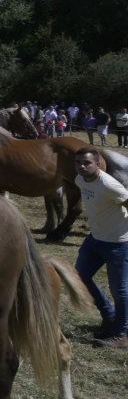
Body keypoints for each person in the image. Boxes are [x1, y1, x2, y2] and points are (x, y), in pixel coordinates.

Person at [72, 148, 128, 349]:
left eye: (87, 163)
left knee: (120, 290)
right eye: (78, 162)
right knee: (79, 276)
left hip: (118, 243)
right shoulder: (80, 180)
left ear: (98, 163)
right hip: (95, 239)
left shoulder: (109, 184)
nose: (82, 166)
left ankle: (122, 333)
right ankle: (109, 315)